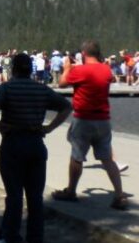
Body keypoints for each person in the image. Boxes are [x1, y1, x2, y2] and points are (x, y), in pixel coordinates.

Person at [0, 53, 72, 243]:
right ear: (30, 69)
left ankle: (12, 240)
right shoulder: (41, 88)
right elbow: (66, 107)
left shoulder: (7, 88)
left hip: (13, 144)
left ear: (14, 68)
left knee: (14, 195)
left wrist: (0, 126)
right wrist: (48, 128)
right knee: (35, 196)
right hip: (35, 144)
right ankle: (35, 240)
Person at [52, 40, 129, 210]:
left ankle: (71, 191)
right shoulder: (106, 70)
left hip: (83, 119)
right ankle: (119, 194)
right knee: (107, 158)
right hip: (103, 119)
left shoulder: (81, 71)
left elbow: (62, 83)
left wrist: (67, 68)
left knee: (77, 156)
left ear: (84, 54)